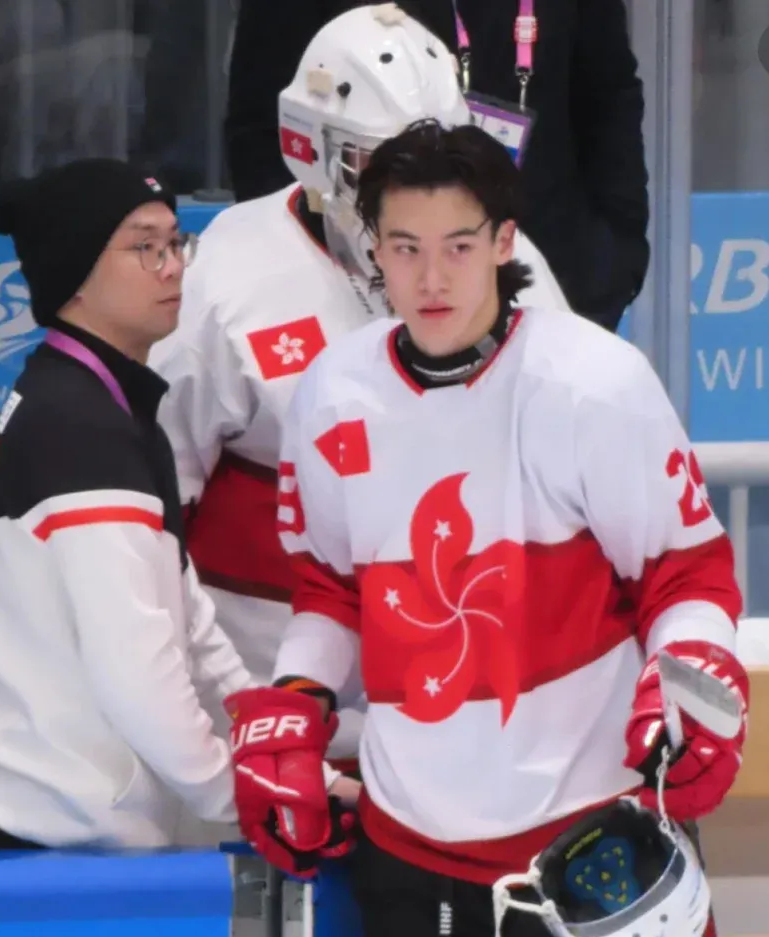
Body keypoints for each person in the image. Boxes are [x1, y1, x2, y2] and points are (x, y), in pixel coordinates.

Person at [223, 122, 749, 937]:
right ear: (371, 253)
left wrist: (696, 690)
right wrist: (295, 702)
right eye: (403, 247)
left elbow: (687, 572)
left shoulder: (593, 383)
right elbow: (331, 584)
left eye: (459, 245)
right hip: (418, 840)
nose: (430, 276)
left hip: (587, 827)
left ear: (507, 243)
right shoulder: (329, 395)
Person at [149, 3, 567, 766]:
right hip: (261, 688)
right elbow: (156, 508)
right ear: (311, 148)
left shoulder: (511, 264)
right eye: (383, 164)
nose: (413, 187)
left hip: (459, 693)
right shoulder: (224, 275)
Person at [0, 157, 356, 853]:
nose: (174, 267)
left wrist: (261, 729)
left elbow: (183, 610)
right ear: (75, 273)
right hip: (30, 846)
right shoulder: (77, 431)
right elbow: (136, 669)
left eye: (177, 243)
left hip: (38, 825)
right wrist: (244, 796)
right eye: (144, 247)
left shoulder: (104, 402)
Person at [224, 0, 649, 332]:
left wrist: (616, 258)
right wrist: (294, 277)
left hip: (555, 268)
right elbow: (263, 121)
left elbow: (609, 95)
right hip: (364, 291)